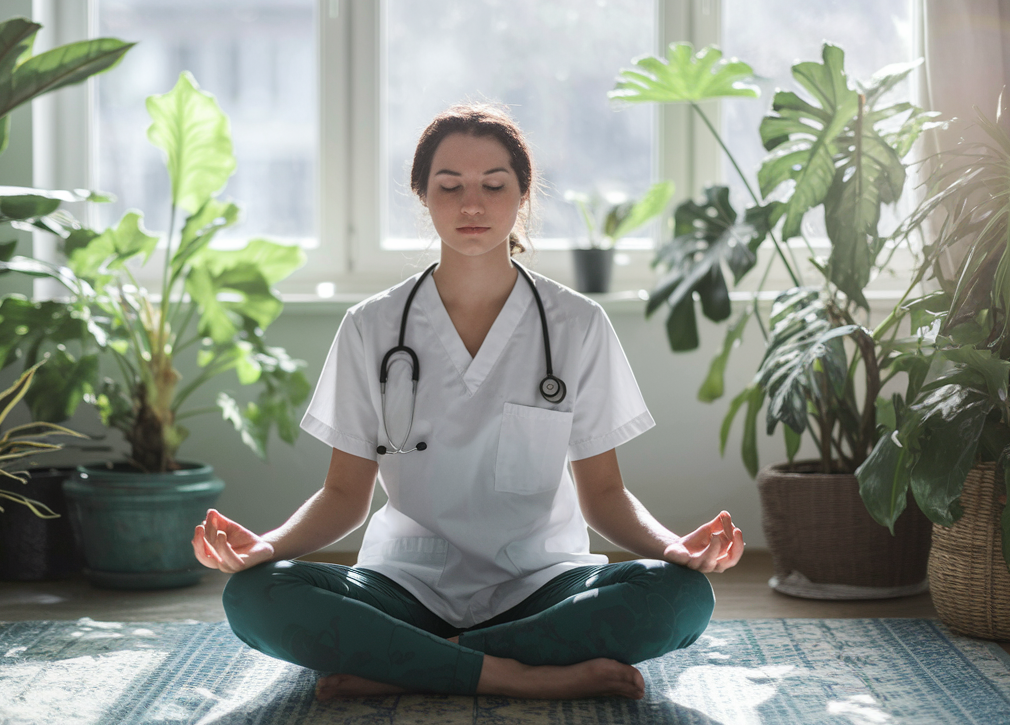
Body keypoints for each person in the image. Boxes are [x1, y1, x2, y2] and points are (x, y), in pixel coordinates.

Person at [193, 103, 744, 701]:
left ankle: (410, 668)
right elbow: (344, 496)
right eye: (449, 187)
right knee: (254, 595)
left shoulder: (578, 325)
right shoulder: (370, 327)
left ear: (523, 194)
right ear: (423, 197)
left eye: (493, 186)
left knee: (681, 596)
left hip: (544, 582)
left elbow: (604, 496)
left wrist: (673, 548)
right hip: (405, 582)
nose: (472, 206)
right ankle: (520, 675)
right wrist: (266, 546)